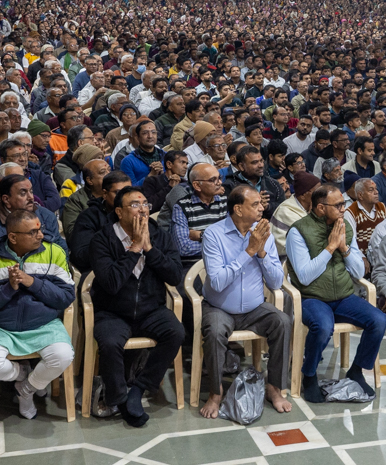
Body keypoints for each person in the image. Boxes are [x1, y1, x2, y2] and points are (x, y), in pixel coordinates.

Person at [89, 186, 186, 427]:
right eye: (134, 205)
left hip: (151, 309)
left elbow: (175, 276)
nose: (142, 209)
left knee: (176, 332)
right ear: (119, 212)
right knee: (110, 342)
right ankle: (119, 398)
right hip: (112, 312)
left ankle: (140, 387)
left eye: (145, 204)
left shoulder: (160, 236)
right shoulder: (102, 239)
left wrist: (149, 249)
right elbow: (111, 283)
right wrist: (134, 249)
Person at [0, 209, 75, 419]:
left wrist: (32, 282)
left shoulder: (54, 252)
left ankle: (26, 389)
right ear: (13, 237)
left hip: (44, 325)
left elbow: (66, 297)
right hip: (0, 327)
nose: (40, 235)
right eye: (32, 232)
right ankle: (22, 373)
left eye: (40, 229)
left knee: (63, 356)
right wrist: (8, 288)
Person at [286, 184, 386, 403]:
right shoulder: (298, 231)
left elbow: (359, 272)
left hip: (343, 296)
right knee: (323, 327)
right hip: (311, 297)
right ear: (321, 208)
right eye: (339, 205)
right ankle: (309, 375)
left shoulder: (345, 227)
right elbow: (304, 276)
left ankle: (356, 370)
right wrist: (330, 248)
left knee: (378, 320)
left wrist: (344, 249)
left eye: (343, 204)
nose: (344, 209)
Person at [198, 184, 292, 418]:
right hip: (219, 307)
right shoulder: (214, 234)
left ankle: (274, 388)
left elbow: (275, 282)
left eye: (261, 203)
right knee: (215, 331)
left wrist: (261, 253)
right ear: (238, 209)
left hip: (254, 308)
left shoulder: (264, 234)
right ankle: (215, 392)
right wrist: (248, 251)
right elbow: (217, 282)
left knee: (282, 322)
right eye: (255, 204)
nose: (262, 208)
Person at [0, 174, 66, 261]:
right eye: (23, 193)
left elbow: (61, 251)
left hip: (43, 271)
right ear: (6, 199)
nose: (31, 197)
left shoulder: (46, 216)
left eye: (31, 191)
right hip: (4, 272)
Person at [166, 163, 228, 270]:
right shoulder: (182, 206)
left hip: (223, 263)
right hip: (193, 267)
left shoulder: (225, 202)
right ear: (197, 185)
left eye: (219, 178)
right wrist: (219, 244)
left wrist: (201, 235)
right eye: (213, 180)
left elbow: (233, 239)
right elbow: (184, 248)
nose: (220, 183)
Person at [269, 172, 321, 256]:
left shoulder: (313, 207)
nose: (321, 196)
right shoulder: (286, 211)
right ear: (303, 195)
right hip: (286, 258)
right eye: (317, 192)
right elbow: (311, 241)